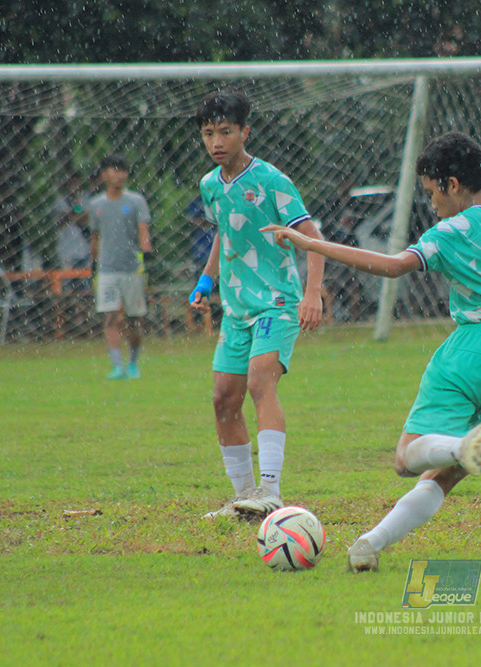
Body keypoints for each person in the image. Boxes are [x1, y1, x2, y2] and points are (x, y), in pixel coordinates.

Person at [264, 96, 481, 572]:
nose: (432, 204)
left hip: (470, 352)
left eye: (433, 192)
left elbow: (392, 267)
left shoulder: (452, 230)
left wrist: (313, 244)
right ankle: (370, 544)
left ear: (453, 185)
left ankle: (457, 445)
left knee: (407, 456)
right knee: (444, 478)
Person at [188, 91, 325, 521]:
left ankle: (270, 490)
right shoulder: (210, 185)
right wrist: (207, 280)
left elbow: (313, 238)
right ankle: (243, 497)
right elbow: (224, 235)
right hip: (237, 308)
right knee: (223, 398)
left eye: (225, 132)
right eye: (208, 133)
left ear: (245, 132)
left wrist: (312, 293)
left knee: (259, 382)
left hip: (277, 303)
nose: (217, 142)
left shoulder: (272, 181)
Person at [88, 155, 153, 379]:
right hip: (107, 270)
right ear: (104, 175)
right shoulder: (96, 205)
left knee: (134, 319)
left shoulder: (136, 201)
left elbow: (144, 232)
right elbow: (94, 238)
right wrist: (93, 265)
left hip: (132, 268)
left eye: (123, 170)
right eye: (115, 170)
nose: (120, 175)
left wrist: (147, 258)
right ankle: (117, 366)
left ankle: (133, 362)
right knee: (110, 316)